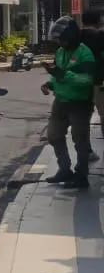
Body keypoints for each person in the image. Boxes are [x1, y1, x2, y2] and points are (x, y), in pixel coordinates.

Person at [42, 16, 95, 188]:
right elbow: (58, 73)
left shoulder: (84, 54)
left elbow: (87, 80)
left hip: (79, 103)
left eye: (62, 39)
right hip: (60, 101)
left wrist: (65, 75)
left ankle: (81, 175)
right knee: (54, 135)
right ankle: (64, 169)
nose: (60, 43)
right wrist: (50, 83)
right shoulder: (60, 52)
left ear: (70, 37)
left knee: (80, 140)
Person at [80, 8, 104, 153]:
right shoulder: (101, 36)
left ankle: (86, 151)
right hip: (99, 81)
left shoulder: (76, 37)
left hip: (79, 82)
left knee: (83, 118)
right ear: (98, 20)